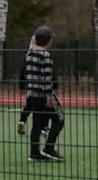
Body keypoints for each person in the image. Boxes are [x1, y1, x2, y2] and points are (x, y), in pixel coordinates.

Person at [22, 26, 65, 163]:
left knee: (37, 123)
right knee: (59, 119)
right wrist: (49, 96)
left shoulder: (29, 54)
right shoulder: (45, 55)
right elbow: (46, 77)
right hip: (43, 94)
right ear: (49, 40)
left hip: (32, 94)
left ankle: (34, 152)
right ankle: (49, 148)